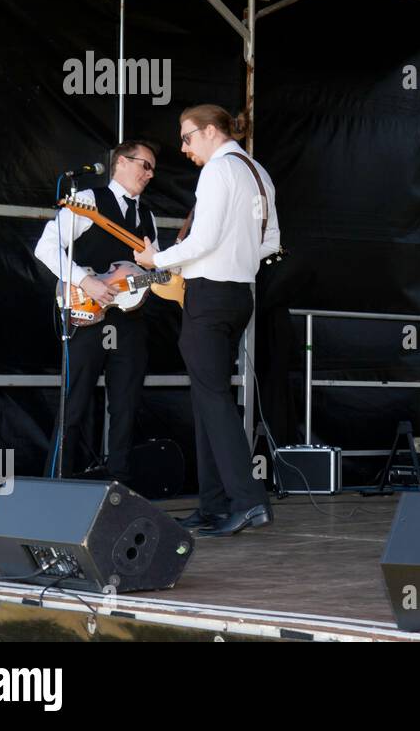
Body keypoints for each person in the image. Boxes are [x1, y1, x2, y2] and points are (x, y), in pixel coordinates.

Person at [135, 105, 280, 536]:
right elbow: (271, 240)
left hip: (212, 295)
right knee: (206, 398)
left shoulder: (219, 171)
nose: (184, 148)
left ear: (211, 131)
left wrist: (155, 260)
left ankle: (248, 500)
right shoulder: (258, 172)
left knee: (213, 400)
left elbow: (204, 238)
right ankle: (214, 503)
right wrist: (234, 261)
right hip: (239, 294)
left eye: (187, 137)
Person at [34, 139, 159, 482]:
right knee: (73, 404)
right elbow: (46, 247)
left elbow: (155, 271)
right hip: (88, 316)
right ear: (120, 163)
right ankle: (56, 485)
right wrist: (84, 281)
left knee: (126, 405)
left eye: (152, 168)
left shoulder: (147, 215)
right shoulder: (89, 200)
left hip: (130, 322)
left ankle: (118, 485)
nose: (149, 173)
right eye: (143, 165)